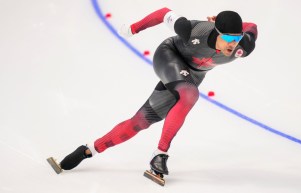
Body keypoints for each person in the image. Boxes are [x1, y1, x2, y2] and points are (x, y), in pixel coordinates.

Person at [50, 7, 258, 177]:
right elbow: (163, 13)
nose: (233, 44)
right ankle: (160, 155)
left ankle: (87, 150)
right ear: (216, 31)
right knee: (189, 94)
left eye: (237, 38)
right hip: (169, 55)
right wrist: (133, 28)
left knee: (140, 121)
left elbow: (253, 27)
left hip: (190, 76)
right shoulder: (193, 30)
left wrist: (241, 30)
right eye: (229, 38)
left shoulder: (243, 47)